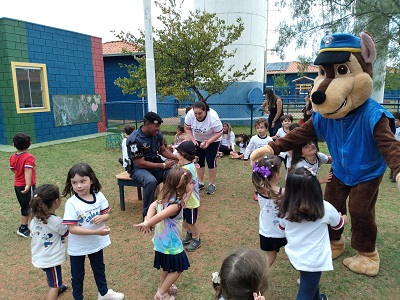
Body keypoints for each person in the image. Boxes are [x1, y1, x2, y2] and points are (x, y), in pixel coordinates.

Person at [278, 167, 348, 300]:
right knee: (305, 293)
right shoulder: (325, 207)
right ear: (316, 188)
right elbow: (337, 225)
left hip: (295, 256)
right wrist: (344, 218)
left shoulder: (286, 207)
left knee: (309, 283)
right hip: (313, 261)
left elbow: (281, 228)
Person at [62, 163, 124, 300]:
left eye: (82, 181)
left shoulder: (99, 196)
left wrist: (102, 217)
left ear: (91, 179)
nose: (79, 186)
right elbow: (72, 229)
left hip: (95, 244)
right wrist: (96, 232)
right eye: (74, 182)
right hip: (78, 247)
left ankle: (104, 293)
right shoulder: (71, 204)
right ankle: (78, 297)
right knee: (77, 275)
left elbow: (107, 214)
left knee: (99, 269)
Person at [134, 167, 192, 300]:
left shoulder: (165, 197)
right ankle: (161, 294)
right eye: (190, 183)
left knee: (166, 266)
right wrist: (147, 223)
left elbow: (152, 206)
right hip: (170, 243)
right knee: (179, 268)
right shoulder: (175, 205)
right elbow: (160, 216)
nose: (192, 185)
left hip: (161, 241)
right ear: (182, 185)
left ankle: (165, 286)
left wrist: (147, 219)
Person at [126, 112, 179, 222]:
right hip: (139, 169)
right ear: (146, 124)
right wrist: (163, 165)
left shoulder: (157, 134)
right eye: (156, 126)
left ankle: (169, 207)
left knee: (171, 174)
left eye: (159, 126)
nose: (158, 129)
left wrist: (177, 158)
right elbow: (140, 163)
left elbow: (163, 150)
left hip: (155, 166)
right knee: (150, 181)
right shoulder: (135, 139)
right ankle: (147, 216)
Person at [30, 184, 69, 300]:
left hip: (39, 256)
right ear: (56, 201)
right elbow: (66, 233)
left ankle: (57, 287)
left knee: (51, 276)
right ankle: (55, 288)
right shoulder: (56, 221)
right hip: (50, 259)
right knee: (54, 285)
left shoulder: (35, 219)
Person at [252, 156, 286, 266]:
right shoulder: (283, 192)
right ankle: (304, 278)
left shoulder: (259, 188)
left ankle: (260, 277)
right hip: (284, 230)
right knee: (296, 252)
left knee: (270, 256)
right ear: (276, 175)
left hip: (266, 231)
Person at [184, 100, 223, 195]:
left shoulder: (213, 117)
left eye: (200, 113)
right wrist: (193, 140)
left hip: (213, 139)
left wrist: (209, 142)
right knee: (198, 160)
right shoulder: (190, 115)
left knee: (211, 160)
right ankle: (200, 182)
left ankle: (212, 184)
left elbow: (220, 132)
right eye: (195, 113)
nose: (197, 116)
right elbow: (187, 128)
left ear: (205, 110)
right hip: (197, 139)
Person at [176, 141, 202, 252]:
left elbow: (190, 186)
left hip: (191, 201)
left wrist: (186, 199)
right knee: (185, 221)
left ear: (183, 154)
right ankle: (190, 233)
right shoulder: (184, 166)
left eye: (177, 152)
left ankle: (196, 238)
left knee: (191, 222)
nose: (176, 154)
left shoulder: (189, 168)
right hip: (184, 200)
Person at [10, 132, 36, 238]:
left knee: (28, 204)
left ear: (14, 145)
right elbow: (27, 170)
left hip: (17, 185)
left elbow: (13, 169)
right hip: (26, 187)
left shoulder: (12, 157)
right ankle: (23, 228)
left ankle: (32, 224)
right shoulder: (29, 157)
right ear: (30, 144)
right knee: (28, 206)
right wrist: (28, 184)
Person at [389, 112, 400, 182]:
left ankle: (396, 175)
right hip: (393, 146)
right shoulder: (392, 128)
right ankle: (392, 173)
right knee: (392, 159)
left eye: (395, 120)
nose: (394, 122)